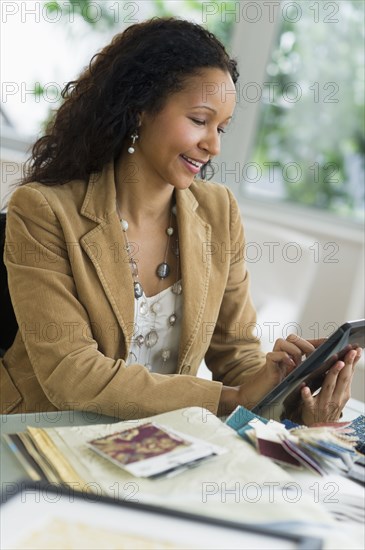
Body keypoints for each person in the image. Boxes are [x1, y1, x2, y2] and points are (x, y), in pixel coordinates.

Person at [0, 18, 361, 424]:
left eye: (222, 127)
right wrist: (231, 397)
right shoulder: (44, 211)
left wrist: (289, 388)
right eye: (199, 120)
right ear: (140, 109)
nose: (214, 145)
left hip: (155, 442)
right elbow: (71, 374)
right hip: (44, 432)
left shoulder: (218, 211)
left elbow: (237, 353)